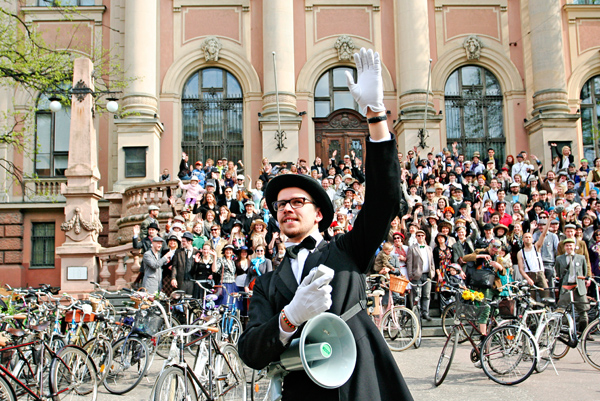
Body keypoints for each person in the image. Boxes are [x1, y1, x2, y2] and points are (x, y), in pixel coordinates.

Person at [238, 48, 412, 401]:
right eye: (280, 204)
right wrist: (289, 318)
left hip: (359, 385)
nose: (287, 208)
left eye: (298, 201)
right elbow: (250, 351)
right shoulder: (268, 284)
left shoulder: (347, 251)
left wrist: (376, 117)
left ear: (319, 213)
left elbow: (383, 200)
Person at [555, 238, 591, 332]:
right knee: (563, 309)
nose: (569, 247)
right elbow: (558, 272)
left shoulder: (581, 258)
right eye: (567, 245)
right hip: (566, 286)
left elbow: (584, 271)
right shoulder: (559, 258)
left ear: (574, 246)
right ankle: (565, 331)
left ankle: (584, 332)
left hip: (579, 286)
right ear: (564, 247)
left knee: (583, 310)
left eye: (571, 245)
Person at [406, 229, 435, 321]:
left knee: (426, 295)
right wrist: (410, 274)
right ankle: (416, 313)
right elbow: (409, 263)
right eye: (418, 235)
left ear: (425, 237)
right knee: (417, 295)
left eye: (422, 235)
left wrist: (432, 272)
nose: (420, 237)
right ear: (416, 237)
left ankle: (425, 312)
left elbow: (432, 262)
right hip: (417, 274)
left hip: (427, 274)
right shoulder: (412, 248)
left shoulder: (429, 248)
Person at [170, 232, 198, 296]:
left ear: (190, 241)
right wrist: (173, 278)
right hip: (181, 281)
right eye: (182, 241)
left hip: (192, 281)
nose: (182, 243)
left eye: (184, 241)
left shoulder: (196, 252)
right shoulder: (178, 252)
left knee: (191, 301)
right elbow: (174, 266)